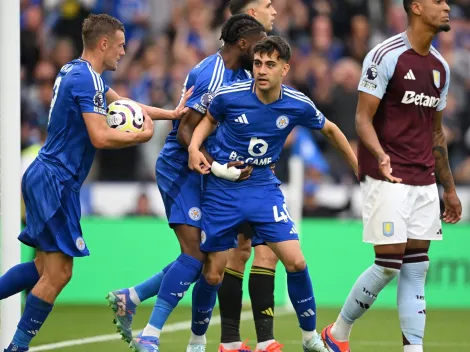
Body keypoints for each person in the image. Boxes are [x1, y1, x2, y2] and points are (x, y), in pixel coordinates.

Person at [0, 13, 191, 352]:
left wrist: (170, 114)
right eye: (120, 45)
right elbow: (101, 137)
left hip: (52, 178)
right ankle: (16, 347)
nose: (123, 51)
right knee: (59, 275)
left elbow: (126, 105)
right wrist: (142, 136)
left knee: (44, 267)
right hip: (55, 180)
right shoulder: (86, 81)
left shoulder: (77, 71)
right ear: (103, 44)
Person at [106, 14, 266, 352]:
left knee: (213, 266)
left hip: (211, 169)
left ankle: (135, 300)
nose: (263, 51)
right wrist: (222, 165)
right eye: (259, 43)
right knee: (194, 254)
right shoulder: (211, 74)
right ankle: (150, 335)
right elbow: (185, 133)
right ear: (242, 42)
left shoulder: (243, 74)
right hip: (182, 167)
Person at [187, 36, 357, 352]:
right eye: (257, 63)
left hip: (264, 188)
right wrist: (195, 147)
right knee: (212, 273)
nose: (262, 70)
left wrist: (357, 166)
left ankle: (309, 339)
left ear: (285, 69)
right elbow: (208, 120)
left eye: (270, 64)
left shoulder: (296, 103)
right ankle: (199, 342)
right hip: (223, 190)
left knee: (295, 261)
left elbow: (331, 130)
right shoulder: (229, 96)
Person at [321, 1, 462, 352]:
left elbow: (437, 133)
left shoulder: (440, 68)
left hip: (424, 179)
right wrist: (380, 155)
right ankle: (338, 332)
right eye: (438, 1)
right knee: (388, 263)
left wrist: (449, 188)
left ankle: (413, 349)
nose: (447, 7)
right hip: (387, 176)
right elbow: (362, 119)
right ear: (416, 7)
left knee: (416, 268)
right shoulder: (385, 55)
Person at [217, 2, 282, 352]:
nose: (274, 10)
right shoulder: (224, 70)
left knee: (241, 254)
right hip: (235, 175)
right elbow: (204, 122)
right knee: (232, 257)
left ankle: (234, 341)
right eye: (268, 4)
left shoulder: (248, 62)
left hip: (254, 170)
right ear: (251, 13)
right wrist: (219, 163)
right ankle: (253, 340)